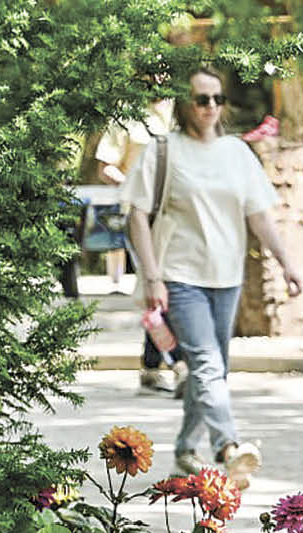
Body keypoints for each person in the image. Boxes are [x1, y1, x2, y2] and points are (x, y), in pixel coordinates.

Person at [124, 68, 303, 489]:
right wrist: (152, 277)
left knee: (214, 370)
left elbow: (259, 215)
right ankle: (229, 448)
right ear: (184, 103)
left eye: (216, 99)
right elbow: (136, 214)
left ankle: (187, 449)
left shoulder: (236, 153)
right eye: (200, 99)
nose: (209, 107)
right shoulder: (164, 150)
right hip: (179, 275)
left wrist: (287, 262)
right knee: (204, 364)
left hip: (226, 276)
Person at [95, 101, 183, 395]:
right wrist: (136, 186)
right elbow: (105, 166)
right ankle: (177, 363)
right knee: (156, 280)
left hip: (180, 213)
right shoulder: (125, 114)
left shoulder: (185, 108)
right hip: (142, 215)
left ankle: (153, 364)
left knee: (171, 284)